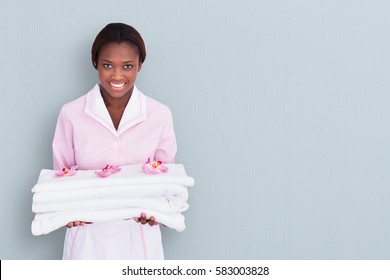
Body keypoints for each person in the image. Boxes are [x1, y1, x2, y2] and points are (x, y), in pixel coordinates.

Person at [52, 23, 177, 259]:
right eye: (107, 65)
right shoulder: (71, 114)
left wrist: (158, 211)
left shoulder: (159, 114)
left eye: (127, 66)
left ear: (140, 66)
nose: (117, 75)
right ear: (96, 64)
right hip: (87, 243)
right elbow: (61, 182)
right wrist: (68, 213)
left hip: (140, 243)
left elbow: (166, 183)